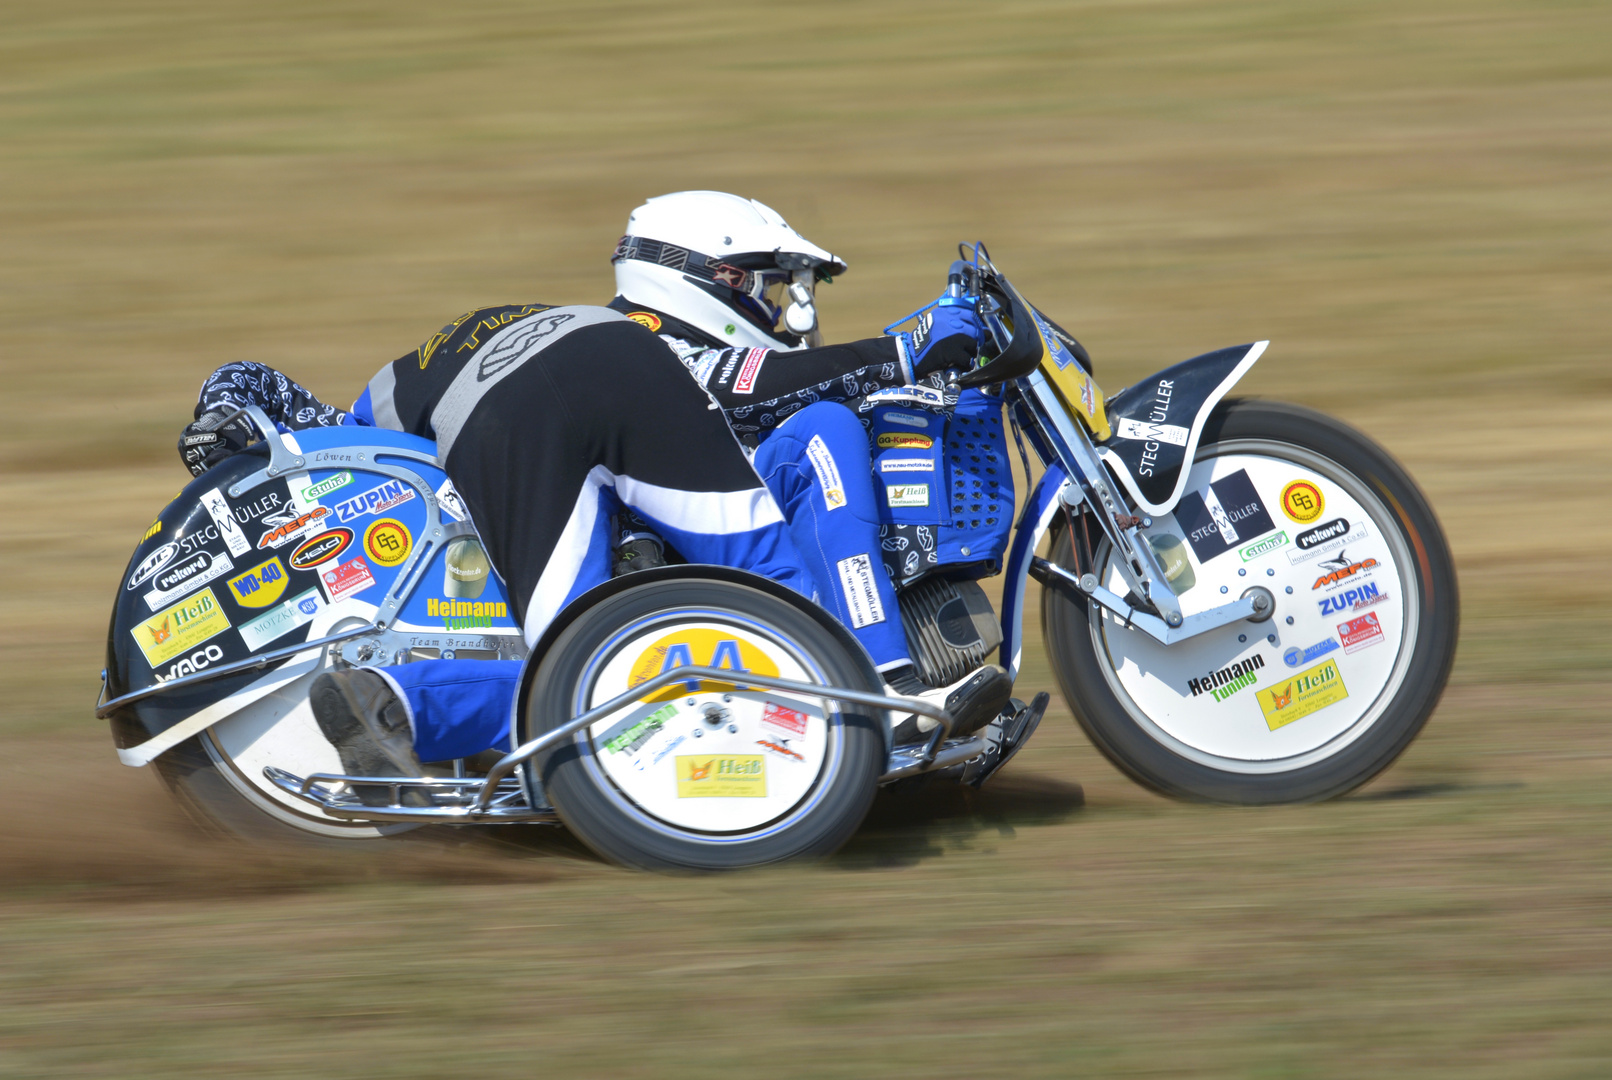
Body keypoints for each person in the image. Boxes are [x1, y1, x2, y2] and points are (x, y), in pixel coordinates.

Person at [180, 192, 1009, 784]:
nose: (789, 310)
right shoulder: (645, 336)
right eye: (770, 286)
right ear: (705, 278)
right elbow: (758, 381)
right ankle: (889, 692)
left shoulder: (504, 328)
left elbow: (344, 430)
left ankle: (393, 701)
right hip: (617, 386)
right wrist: (904, 353)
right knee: (781, 590)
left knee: (567, 669)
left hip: (475, 411)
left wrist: (232, 402)